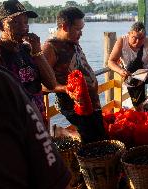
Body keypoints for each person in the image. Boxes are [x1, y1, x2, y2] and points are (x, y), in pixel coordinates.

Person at [0, 65, 71, 189]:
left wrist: (36, 51)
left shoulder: (2, 81)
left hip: (36, 118)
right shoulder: (0, 82)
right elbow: (55, 178)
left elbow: (50, 83)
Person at [42, 7, 106, 144]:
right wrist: (66, 88)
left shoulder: (73, 42)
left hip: (92, 102)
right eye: (78, 29)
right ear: (65, 26)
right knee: (91, 142)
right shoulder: (50, 48)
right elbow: (41, 84)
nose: (81, 33)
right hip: (75, 106)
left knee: (101, 136)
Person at [0, 0, 60, 125]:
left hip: (39, 123)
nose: (23, 27)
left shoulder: (28, 49)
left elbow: (51, 84)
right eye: (15, 22)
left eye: (25, 22)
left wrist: (37, 51)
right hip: (16, 128)